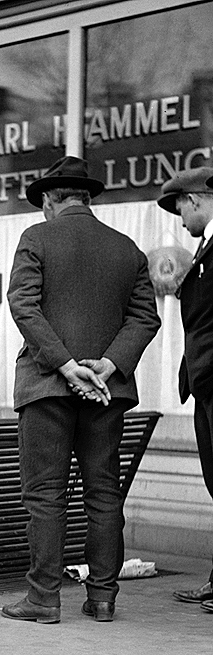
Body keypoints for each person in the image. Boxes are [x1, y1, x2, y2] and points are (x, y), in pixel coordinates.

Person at [2, 156, 160, 624]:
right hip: (106, 392)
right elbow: (145, 318)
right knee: (104, 493)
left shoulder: (37, 238)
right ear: (87, 199)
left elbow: (23, 305)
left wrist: (67, 366)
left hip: (46, 387)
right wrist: (108, 365)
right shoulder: (126, 247)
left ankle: (44, 599)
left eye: (44, 204)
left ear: (50, 200)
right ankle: (104, 598)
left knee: (46, 495)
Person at [156, 167, 213, 610]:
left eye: (180, 211)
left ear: (194, 200)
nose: (180, 221)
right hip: (205, 384)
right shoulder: (205, 247)